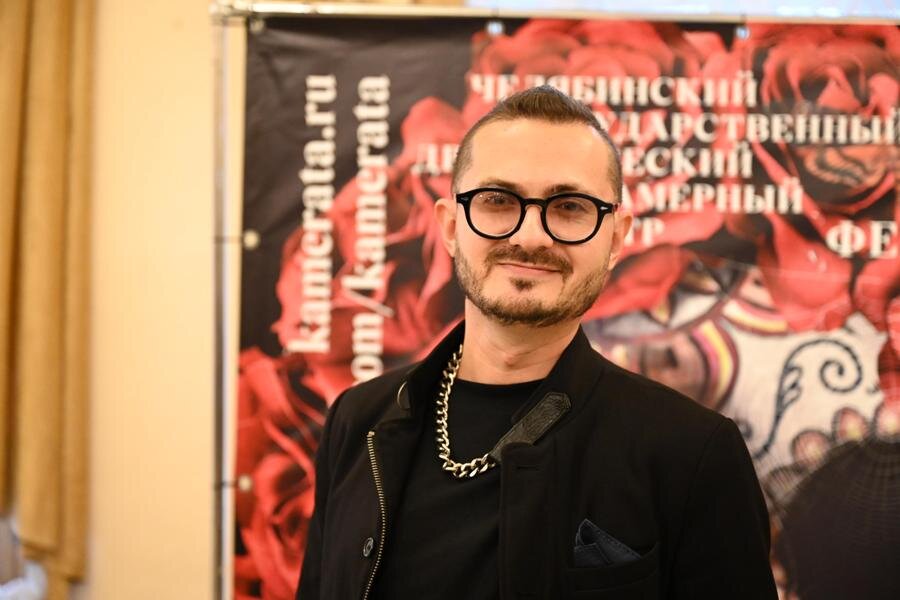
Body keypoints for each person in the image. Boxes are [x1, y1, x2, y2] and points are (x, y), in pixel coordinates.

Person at [295, 85, 777, 600]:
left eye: (569, 206)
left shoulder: (692, 452)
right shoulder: (358, 422)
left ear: (615, 239)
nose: (530, 236)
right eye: (498, 201)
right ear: (451, 227)